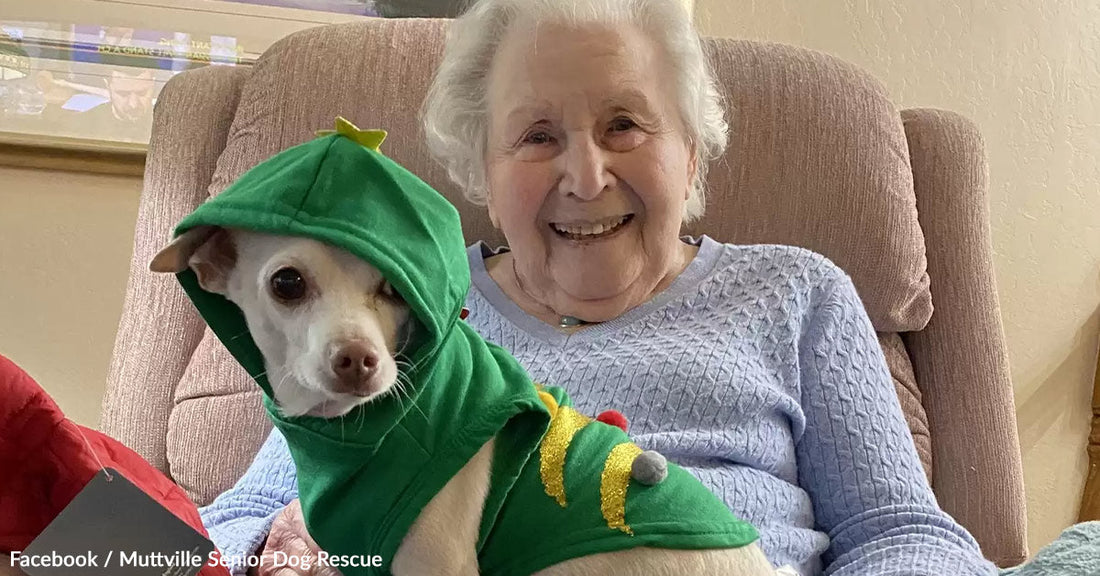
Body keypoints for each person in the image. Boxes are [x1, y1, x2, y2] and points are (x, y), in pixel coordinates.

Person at [199, 0, 998, 574]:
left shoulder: (795, 292)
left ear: (691, 152)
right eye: (538, 135)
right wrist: (279, 540)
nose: (585, 177)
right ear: (482, 168)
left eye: (624, 125)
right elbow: (241, 513)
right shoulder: (402, 304)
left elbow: (902, 533)